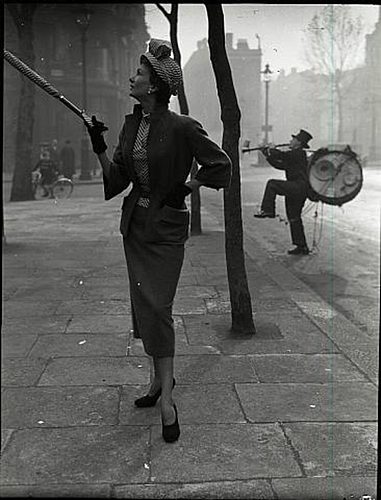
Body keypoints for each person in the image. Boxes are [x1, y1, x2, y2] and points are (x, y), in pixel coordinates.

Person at [86, 39, 232, 443]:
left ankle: (167, 398)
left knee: (158, 306)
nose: (132, 78)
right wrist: (98, 145)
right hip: (135, 226)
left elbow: (220, 164)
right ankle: (155, 382)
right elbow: (117, 180)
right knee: (144, 306)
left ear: (154, 86)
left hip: (166, 229)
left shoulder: (183, 126)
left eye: (139, 74)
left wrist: (188, 186)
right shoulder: (131, 124)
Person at [254, 129, 313, 255]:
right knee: (293, 217)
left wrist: (272, 149)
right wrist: (267, 155)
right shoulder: (294, 155)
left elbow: (282, 156)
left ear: (298, 143)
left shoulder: (298, 154)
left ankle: (268, 210)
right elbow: (279, 165)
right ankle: (301, 246)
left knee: (272, 184)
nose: (290, 141)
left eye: (293, 139)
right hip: (297, 189)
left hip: (298, 186)